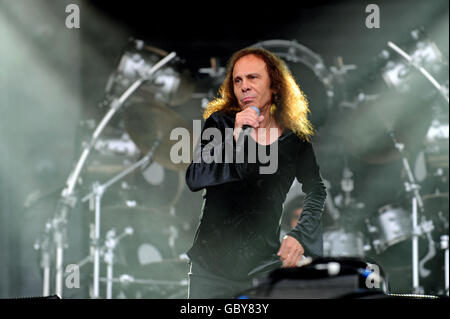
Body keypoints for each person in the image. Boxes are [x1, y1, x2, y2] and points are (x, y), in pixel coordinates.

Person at [185, 47, 327, 299]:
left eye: (253, 78)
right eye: (238, 80)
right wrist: (237, 134)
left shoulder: (294, 139)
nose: (244, 86)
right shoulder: (220, 124)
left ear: (274, 86)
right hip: (210, 268)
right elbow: (196, 177)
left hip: (262, 267)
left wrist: (300, 235)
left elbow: (316, 188)